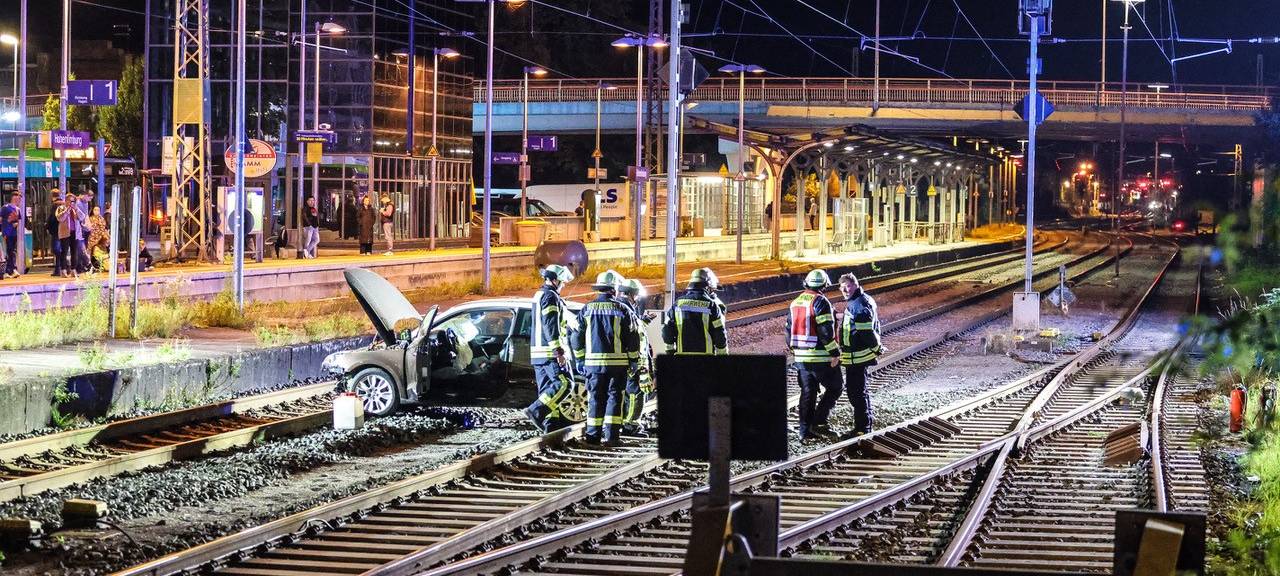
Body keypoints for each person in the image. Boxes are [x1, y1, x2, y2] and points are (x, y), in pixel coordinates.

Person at [570, 270, 639, 446]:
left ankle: (592, 438)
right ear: (614, 289)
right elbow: (632, 337)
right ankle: (612, 438)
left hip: (593, 365)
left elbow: (576, 336)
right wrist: (633, 361)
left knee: (595, 399)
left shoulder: (587, 309)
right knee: (615, 399)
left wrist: (579, 359)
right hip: (617, 365)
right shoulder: (622, 309)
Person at [787, 269, 842, 440]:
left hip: (801, 358)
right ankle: (819, 420)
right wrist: (835, 352)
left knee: (808, 393)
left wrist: (794, 350)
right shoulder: (821, 302)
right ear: (824, 285)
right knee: (836, 387)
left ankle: (805, 431)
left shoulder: (795, 302)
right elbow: (825, 331)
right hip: (820, 357)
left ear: (806, 283)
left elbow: (789, 329)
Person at [524, 264, 576, 433]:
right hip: (549, 353)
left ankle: (550, 427)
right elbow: (550, 324)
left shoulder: (538, 295)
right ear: (554, 280)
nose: (563, 285)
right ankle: (535, 411)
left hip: (538, 353)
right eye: (562, 282)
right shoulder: (550, 296)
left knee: (547, 391)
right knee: (565, 384)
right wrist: (558, 351)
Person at [837, 273, 882, 437]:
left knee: (856, 393)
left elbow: (865, 330)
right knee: (858, 392)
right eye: (842, 287)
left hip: (858, 356)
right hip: (855, 356)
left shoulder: (858, 304)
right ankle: (863, 426)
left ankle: (862, 428)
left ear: (855, 285)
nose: (845, 289)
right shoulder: (859, 301)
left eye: (848, 286)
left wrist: (876, 347)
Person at [661, 268, 728, 355]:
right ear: (707, 286)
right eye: (711, 290)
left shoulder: (677, 304)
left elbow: (667, 330)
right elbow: (719, 333)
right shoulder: (711, 305)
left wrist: (669, 350)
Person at [618, 278, 655, 437]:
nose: (638, 298)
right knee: (636, 392)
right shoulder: (627, 309)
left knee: (627, 393)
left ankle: (624, 423)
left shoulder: (622, 308)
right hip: (633, 360)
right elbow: (636, 337)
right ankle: (631, 425)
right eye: (637, 295)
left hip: (623, 360)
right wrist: (639, 364)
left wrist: (644, 321)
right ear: (632, 294)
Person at [55, 190, 82, 278]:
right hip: (65, 233)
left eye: (73, 201)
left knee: (75, 252)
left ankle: (74, 270)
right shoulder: (61, 208)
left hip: (75, 233)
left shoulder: (75, 209)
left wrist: (76, 209)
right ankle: (63, 270)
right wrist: (67, 210)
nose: (71, 203)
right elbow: (60, 219)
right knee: (64, 252)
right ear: (66, 200)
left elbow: (82, 217)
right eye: (70, 201)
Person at [0, 193, 21, 278]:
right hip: (7, 233)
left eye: (19, 199)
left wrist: (15, 224)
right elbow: (0, 219)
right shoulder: (5, 208)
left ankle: (9, 270)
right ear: (12, 198)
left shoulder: (18, 209)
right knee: (8, 251)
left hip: (14, 233)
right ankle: (10, 270)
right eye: (17, 198)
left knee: (11, 250)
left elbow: (19, 220)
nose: (18, 200)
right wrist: (4, 229)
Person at [86, 205, 109, 271]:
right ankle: (89, 265)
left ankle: (103, 265)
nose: (96, 211)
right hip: (92, 237)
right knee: (89, 250)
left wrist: (103, 236)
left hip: (101, 237)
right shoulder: (90, 219)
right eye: (95, 210)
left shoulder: (102, 219)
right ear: (93, 211)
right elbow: (89, 229)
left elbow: (103, 228)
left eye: (98, 210)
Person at [46, 190, 63, 277]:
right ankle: (62, 267)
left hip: (56, 230)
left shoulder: (55, 204)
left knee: (56, 250)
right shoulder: (63, 204)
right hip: (64, 230)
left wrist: (47, 227)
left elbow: (52, 218)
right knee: (60, 249)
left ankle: (59, 269)